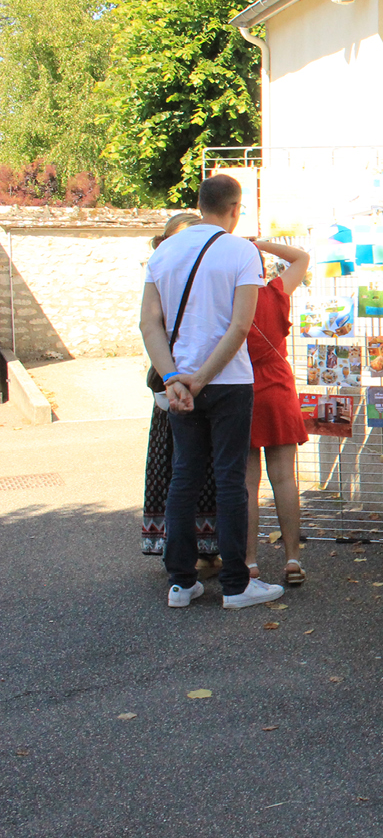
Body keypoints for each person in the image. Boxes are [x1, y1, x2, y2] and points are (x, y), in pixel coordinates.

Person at [140, 174, 283, 609]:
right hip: (228, 382)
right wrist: (202, 379)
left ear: (199, 204)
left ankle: (181, 583)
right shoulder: (241, 251)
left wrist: (174, 379)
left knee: (183, 477)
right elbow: (240, 326)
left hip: (180, 382)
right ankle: (238, 585)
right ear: (235, 209)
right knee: (230, 480)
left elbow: (149, 323)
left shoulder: (165, 251)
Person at [141, 213, 220, 570]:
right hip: (177, 384)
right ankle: (180, 552)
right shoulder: (161, 271)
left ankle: (206, 549)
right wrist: (172, 377)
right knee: (180, 469)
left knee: (202, 470)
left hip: (204, 381)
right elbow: (150, 326)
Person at [244, 240, 311, 585]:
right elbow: (301, 257)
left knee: (247, 484)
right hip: (279, 387)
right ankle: (293, 559)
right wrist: (260, 243)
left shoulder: (229, 299)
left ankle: (250, 562)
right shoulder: (275, 291)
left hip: (242, 388)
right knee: (284, 479)